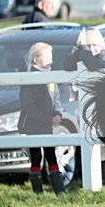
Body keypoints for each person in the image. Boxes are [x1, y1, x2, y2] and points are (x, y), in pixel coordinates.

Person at [64, 28, 105, 188]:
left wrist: (85, 50)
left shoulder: (104, 56)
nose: (91, 49)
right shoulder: (83, 57)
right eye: (88, 45)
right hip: (93, 113)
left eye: (94, 45)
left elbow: (98, 66)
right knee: (100, 151)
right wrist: (79, 48)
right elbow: (67, 65)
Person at [18, 42, 66, 194]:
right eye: (46, 56)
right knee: (36, 157)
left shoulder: (51, 76)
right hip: (33, 125)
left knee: (51, 155)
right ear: (35, 59)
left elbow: (56, 97)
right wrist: (47, 118)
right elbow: (28, 106)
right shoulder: (30, 78)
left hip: (46, 125)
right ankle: (37, 191)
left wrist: (57, 113)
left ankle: (59, 190)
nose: (50, 60)